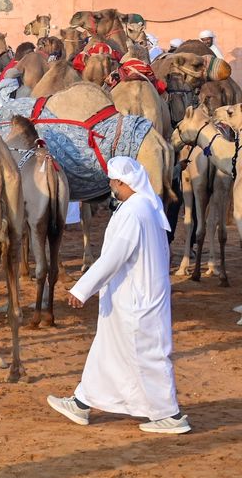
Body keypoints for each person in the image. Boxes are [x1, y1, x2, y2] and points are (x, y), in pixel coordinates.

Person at [48, 156, 191, 434]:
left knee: (148, 357)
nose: (112, 187)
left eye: (114, 182)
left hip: (136, 301)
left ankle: (170, 414)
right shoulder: (146, 207)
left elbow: (113, 257)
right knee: (107, 351)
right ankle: (82, 402)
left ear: (125, 182)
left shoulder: (134, 212)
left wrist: (81, 289)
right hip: (133, 297)